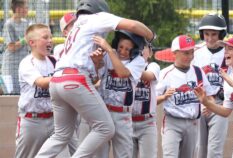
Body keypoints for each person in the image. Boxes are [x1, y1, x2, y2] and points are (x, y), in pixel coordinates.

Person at [35, 0, 155, 157]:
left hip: (57, 80)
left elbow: (99, 73)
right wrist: (151, 36)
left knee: (61, 134)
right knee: (106, 128)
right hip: (75, 79)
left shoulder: (76, 25)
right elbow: (132, 26)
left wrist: (97, 62)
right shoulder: (97, 17)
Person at [156, 35, 214, 158]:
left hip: (193, 123)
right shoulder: (165, 74)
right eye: (185, 53)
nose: (190, 56)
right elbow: (152, 100)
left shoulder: (198, 72)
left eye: (191, 52)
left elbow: (210, 96)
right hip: (172, 122)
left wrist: (209, 105)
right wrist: (164, 97)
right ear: (174, 53)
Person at [93, 30, 147, 158]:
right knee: (99, 153)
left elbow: (123, 73)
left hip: (122, 115)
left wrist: (110, 51)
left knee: (123, 154)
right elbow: (95, 78)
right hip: (103, 112)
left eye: (128, 49)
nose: (122, 51)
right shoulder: (108, 55)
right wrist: (97, 62)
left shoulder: (138, 61)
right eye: (121, 47)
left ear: (135, 51)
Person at [192, 13, 228, 158]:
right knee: (200, 150)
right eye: (206, 34)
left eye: (214, 34)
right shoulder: (197, 53)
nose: (210, 38)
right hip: (200, 104)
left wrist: (216, 97)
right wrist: (204, 100)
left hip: (220, 104)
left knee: (214, 151)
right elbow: (192, 78)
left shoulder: (228, 53)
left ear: (222, 34)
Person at [15, 23, 54, 158]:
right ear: (32, 43)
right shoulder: (27, 63)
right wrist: (64, 76)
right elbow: (41, 83)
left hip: (54, 119)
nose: (50, 40)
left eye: (50, 37)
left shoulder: (54, 61)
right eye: (45, 37)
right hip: (32, 121)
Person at [52, 12, 80, 156]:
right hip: (65, 99)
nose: (78, 26)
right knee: (65, 139)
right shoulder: (59, 49)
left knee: (79, 140)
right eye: (73, 25)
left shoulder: (87, 44)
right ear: (65, 32)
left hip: (81, 99)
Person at [132, 44, 160, 158]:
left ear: (151, 52)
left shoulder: (153, 66)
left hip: (147, 122)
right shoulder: (125, 66)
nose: (140, 50)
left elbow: (149, 76)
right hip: (127, 120)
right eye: (137, 45)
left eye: (144, 47)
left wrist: (127, 68)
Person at [1, 0, 30, 94]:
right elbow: (11, 47)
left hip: (23, 63)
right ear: (18, 9)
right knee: (10, 94)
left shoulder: (26, 23)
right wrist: (25, 39)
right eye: (26, 8)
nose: (27, 10)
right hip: (11, 66)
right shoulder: (9, 24)